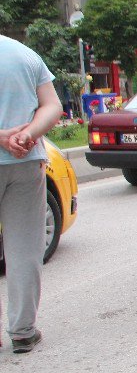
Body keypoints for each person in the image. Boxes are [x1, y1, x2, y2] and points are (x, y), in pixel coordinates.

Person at [0, 34, 62, 353]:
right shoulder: (25, 54)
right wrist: (27, 134)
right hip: (26, 160)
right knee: (24, 246)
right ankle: (23, 330)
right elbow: (52, 106)